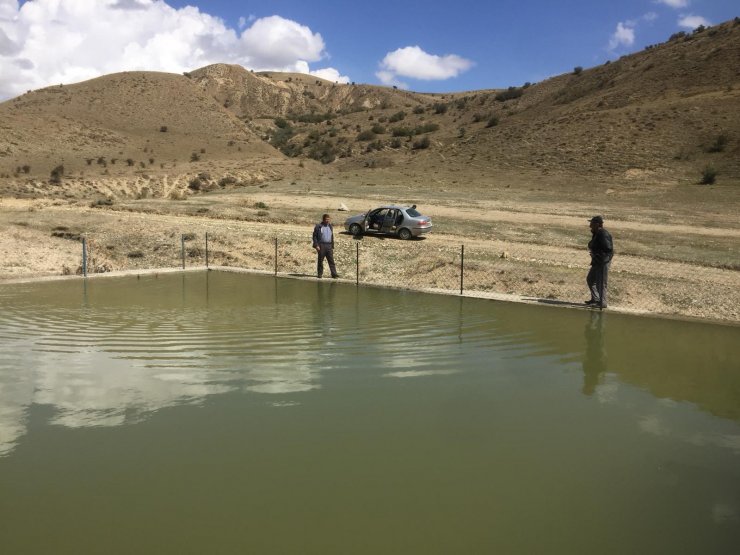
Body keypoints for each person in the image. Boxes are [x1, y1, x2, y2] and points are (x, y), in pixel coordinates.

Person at [586, 215, 613, 308]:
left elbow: (608, 249)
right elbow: (592, 244)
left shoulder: (603, 234)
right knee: (590, 279)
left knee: (601, 283)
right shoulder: (596, 233)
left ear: (597, 224)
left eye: (592, 223)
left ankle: (602, 303)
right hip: (597, 261)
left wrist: (597, 255)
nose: (590, 226)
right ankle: (596, 299)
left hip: (603, 262)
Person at [312, 213, 339, 279]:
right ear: (323, 220)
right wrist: (316, 245)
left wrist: (332, 245)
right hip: (321, 245)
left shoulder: (330, 226)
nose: (328, 221)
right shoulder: (318, 226)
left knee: (331, 261)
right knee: (320, 260)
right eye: (326, 219)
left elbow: (332, 236)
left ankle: (334, 274)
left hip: (329, 245)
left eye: (328, 219)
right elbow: (314, 236)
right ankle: (320, 274)